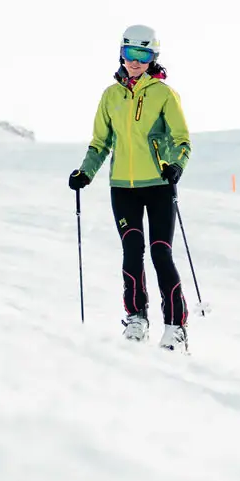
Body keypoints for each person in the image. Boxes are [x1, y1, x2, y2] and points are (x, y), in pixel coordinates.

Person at [68, 25, 192, 349]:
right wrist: (86, 172)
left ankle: (176, 326)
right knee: (132, 250)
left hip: (159, 184)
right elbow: (100, 143)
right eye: (129, 54)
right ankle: (136, 318)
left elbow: (182, 140)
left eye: (143, 55)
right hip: (123, 187)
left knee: (160, 252)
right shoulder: (111, 96)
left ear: (153, 57)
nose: (135, 62)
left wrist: (176, 165)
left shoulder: (164, 94)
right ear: (121, 54)